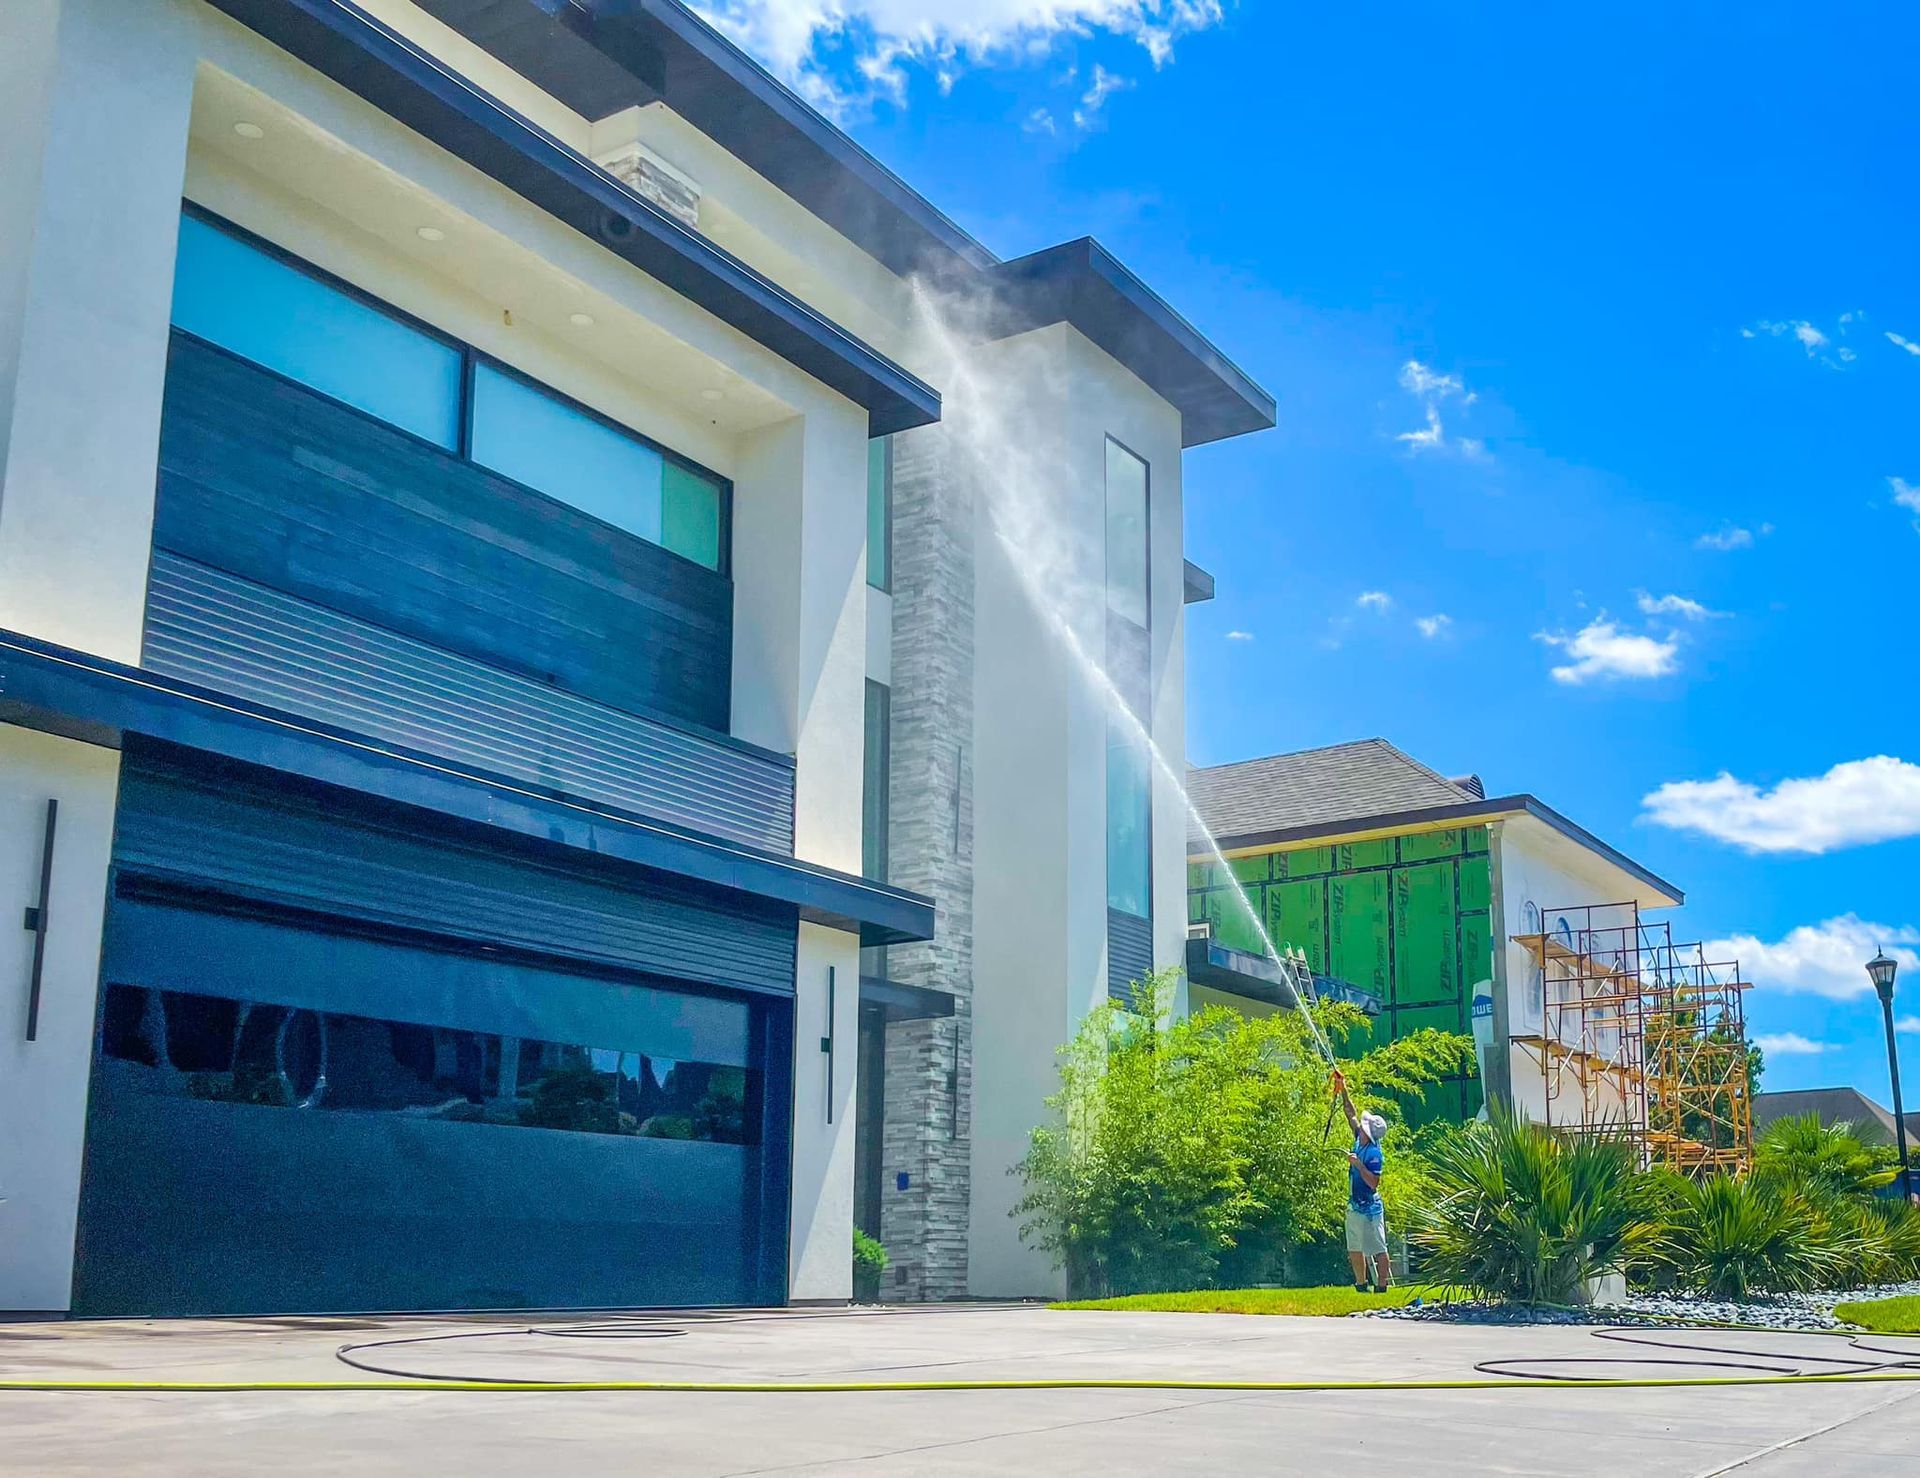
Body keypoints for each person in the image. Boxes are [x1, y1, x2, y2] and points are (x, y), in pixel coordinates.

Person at [1330, 1069, 1391, 1293]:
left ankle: (1382, 1286)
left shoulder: (1374, 1153)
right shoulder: (1359, 1139)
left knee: (1378, 1247)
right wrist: (1342, 1086)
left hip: (1371, 1208)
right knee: (1354, 1246)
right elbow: (1350, 1112)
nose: (1360, 1127)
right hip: (1355, 1204)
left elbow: (1374, 1183)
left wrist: (1358, 1165)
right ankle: (1360, 1284)